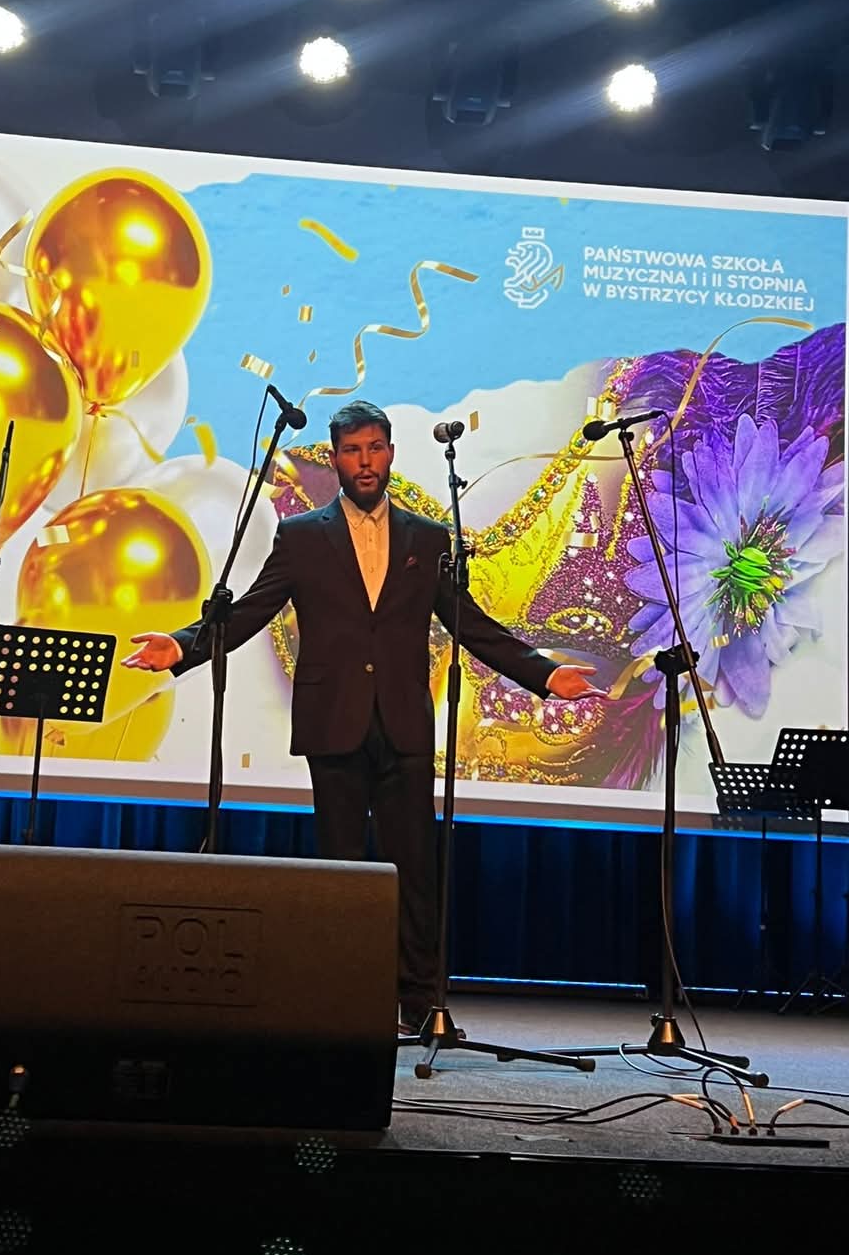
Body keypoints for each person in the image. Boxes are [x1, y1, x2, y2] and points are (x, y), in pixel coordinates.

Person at [123, 399, 605, 1033]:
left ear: (391, 453)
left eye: (375, 448)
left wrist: (543, 674)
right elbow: (250, 611)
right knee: (340, 872)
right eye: (352, 451)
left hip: (404, 723)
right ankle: (342, 1001)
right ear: (336, 459)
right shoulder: (301, 537)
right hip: (334, 722)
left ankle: (420, 1004)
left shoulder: (427, 538)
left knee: (416, 871)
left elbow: (469, 623)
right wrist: (183, 646)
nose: (365, 461)